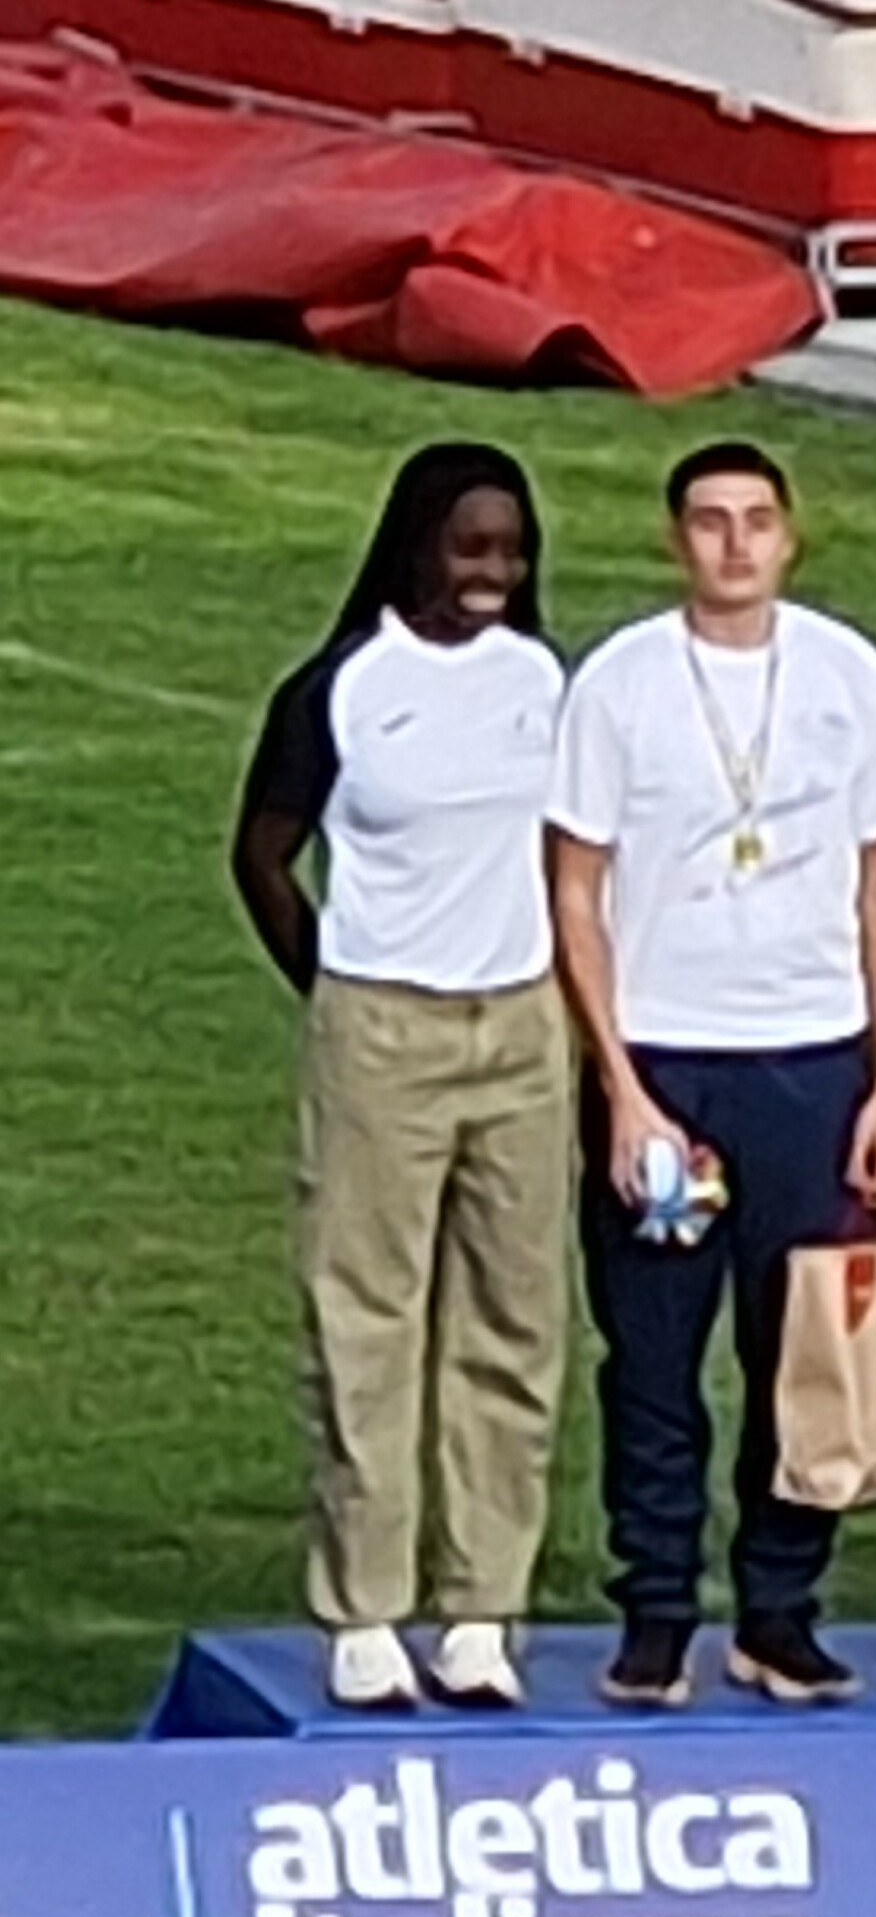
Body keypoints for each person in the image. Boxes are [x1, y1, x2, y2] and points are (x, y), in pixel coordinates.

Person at [549, 443, 876, 1708]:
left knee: (803, 1351)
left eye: (756, 520)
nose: (734, 543)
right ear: (677, 540)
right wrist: (620, 1084)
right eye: (710, 521)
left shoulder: (847, 676)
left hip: (811, 1063)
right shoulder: (621, 684)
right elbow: (576, 888)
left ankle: (780, 1610)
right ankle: (656, 1610)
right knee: (654, 1359)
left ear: (790, 535)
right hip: (666, 1062)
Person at [230, 446, 571, 1712]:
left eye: (512, 550)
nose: (493, 573)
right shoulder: (342, 688)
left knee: (515, 1321)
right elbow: (263, 853)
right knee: (367, 1320)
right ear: (416, 543)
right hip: (382, 1028)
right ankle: (365, 1607)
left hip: (522, 1029)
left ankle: (483, 1607)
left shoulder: (546, 681)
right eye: (470, 547)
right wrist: (333, 986)